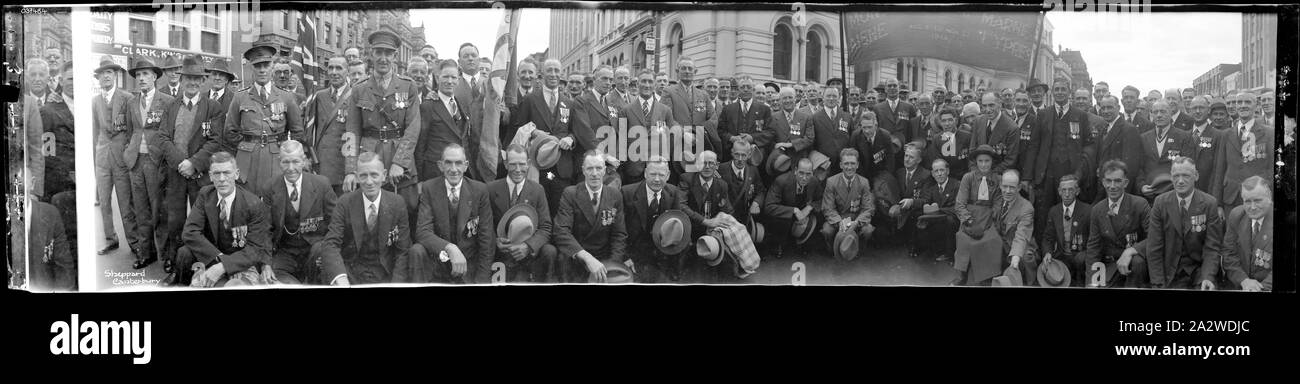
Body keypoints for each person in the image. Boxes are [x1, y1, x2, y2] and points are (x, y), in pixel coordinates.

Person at [155, 56, 225, 277]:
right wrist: (180, 163)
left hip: (199, 174)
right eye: (189, 78)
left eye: (197, 78)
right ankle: (176, 263)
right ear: (182, 78)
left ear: (202, 80)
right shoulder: (172, 105)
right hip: (176, 173)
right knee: (174, 221)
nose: (193, 83)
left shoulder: (212, 107)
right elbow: (163, 137)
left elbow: (215, 141)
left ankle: (202, 261)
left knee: (201, 220)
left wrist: (193, 163)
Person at [342, 31, 422, 220]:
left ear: (395, 56)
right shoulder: (359, 88)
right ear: (371, 54)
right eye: (379, 52)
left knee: (406, 211)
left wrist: (399, 163)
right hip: (370, 158)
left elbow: (413, 128)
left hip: (399, 161)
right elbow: (351, 132)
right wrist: (351, 170)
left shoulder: (408, 86)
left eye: (388, 53)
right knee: (370, 214)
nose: (383, 58)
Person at [175, 152, 274, 287]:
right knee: (184, 253)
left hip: (241, 261)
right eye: (216, 173)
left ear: (237, 174)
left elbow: (255, 249)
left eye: (227, 173)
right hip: (211, 255)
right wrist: (220, 260)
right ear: (210, 176)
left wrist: (225, 266)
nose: (222, 179)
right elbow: (190, 232)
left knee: (235, 285)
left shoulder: (253, 203)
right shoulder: (205, 194)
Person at [314, 152, 412, 285]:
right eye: (363, 175)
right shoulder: (345, 202)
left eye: (374, 175)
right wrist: (340, 277)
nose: (369, 182)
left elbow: (403, 251)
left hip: (385, 274)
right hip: (352, 273)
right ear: (357, 177)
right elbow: (331, 243)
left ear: (384, 175)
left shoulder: (397, 203)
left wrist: (395, 284)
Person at [224, 43, 304, 197]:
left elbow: (297, 132)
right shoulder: (240, 97)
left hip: (277, 157)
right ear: (251, 67)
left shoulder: (286, 97)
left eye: (266, 65)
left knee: (275, 201)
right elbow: (229, 131)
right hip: (248, 159)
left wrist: (287, 153)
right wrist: (246, 146)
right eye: (257, 66)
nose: (262, 70)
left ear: (272, 66)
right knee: (247, 202)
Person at [412, 144, 495, 284]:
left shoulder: (479, 191)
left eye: (458, 163)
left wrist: (481, 282)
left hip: (467, 266)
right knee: (416, 250)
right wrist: (450, 248)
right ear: (440, 165)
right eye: (448, 163)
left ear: (466, 165)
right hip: (438, 265)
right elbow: (422, 231)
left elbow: (487, 241)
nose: (453, 169)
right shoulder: (429, 188)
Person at [123, 56, 176, 270]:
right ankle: (146, 253)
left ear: (155, 77)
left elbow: (170, 134)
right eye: (138, 75)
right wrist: (129, 151)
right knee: (141, 210)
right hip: (136, 161)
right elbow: (129, 131)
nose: (141, 78)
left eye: (146, 74)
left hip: (157, 162)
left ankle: (165, 255)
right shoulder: (131, 102)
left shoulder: (167, 101)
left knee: (159, 211)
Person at [259, 140, 336, 284]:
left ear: (304, 161)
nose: (290, 168)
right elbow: (265, 230)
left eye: (295, 161)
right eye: (285, 162)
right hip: (285, 252)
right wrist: (266, 264)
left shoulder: (322, 184)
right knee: (274, 280)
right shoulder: (270, 187)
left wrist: (327, 253)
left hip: (314, 251)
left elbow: (335, 224)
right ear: (279, 162)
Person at [1147, 157, 1224, 290]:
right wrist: (1158, 284)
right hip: (1170, 272)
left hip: (1199, 270)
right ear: (1171, 177)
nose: (1180, 181)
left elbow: (1212, 247)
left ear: (1196, 176)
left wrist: (1208, 277)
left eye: (1186, 176)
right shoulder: (1160, 203)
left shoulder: (1209, 203)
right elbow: (1154, 248)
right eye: (1176, 176)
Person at [552, 150, 628, 283]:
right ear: (583, 170)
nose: (594, 173)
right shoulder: (570, 194)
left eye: (598, 168)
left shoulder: (615, 195)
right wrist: (587, 258)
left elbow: (619, 235)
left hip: (605, 260)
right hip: (577, 258)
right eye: (590, 168)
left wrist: (612, 265)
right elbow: (561, 232)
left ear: (604, 170)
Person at [486, 145, 557, 282]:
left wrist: (528, 246)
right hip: (502, 252)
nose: (518, 170)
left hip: (529, 253)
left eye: (522, 164)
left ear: (528, 164)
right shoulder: (490, 189)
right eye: (513, 164)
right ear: (506, 164)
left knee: (549, 251)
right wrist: (495, 241)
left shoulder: (537, 190)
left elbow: (546, 227)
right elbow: (485, 225)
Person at [92, 56, 138, 256]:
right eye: (102, 74)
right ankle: (111, 239)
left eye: (109, 73)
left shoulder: (127, 98)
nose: (106, 77)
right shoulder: (94, 102)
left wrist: (128, 153)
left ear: (115, 75)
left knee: (125, 202)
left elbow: (133, 129)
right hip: (102, 160)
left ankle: (134, 242)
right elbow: (94, 132)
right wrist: (97, 152)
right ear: (98, 78)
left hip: (121, 159)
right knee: (104, 202)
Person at [1084, 160, 1150, 288]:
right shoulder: (1097, 210)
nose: (1112, 186)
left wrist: (1131, 251)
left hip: (1135, 267)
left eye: (1118, 181)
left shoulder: (1139, 204)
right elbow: (1093, 248)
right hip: (1110, 265)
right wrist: (1091, 282)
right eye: (1108, 181)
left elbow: (1155, 237)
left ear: (1125, 183)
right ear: (1103, 182)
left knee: (1138, 262)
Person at [621, 158, 687, 282]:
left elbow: (677, 230)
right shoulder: (627, 192)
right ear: (645, 173)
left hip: (662, 255)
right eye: (652, 174)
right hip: (635, 254)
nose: (657, 179)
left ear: (668, 175)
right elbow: (619, 230)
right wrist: (625, 257)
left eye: (661, 175)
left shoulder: (673, 192)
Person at [1212, 91, 1273, 214]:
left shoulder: (1269, 133)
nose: (1243, 105)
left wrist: (1267, 192)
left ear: (1256, 106)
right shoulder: (1226, 134)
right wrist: (1218, 204)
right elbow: (1219, 170)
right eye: (1239, 102)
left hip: (1257, 198)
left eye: (1248, 102)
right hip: (1231, 198)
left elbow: (1272, 168)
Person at [39, 61, 77, 257]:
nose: (75, 83)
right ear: (61, 80)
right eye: (71, 78)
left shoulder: (91, 105)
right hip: (63, 184)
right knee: (69, 238)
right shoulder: (48, 110)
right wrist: (71, 175)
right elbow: (47, 155)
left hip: (86, 182)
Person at [618, 69, 678, 184]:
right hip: (634, 168)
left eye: (650, 81)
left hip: (657, 168)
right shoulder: (626, 110)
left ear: (655, 84)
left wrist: (664, 159)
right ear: (637, 84)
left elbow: (671, 138)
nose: (647, 85)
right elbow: (622, 140)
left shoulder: (665, 111)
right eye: (643, 81)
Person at [1213, 176, 1274, 291]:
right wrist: (1243, 280)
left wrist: (1259, 289)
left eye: (1257, 200)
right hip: (1240, 285)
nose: (1252, 207)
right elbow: (1228, 254)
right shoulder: (1236, 215)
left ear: (1269, 197)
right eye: (1247, 201)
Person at [305, 56, 353, 194]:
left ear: (347, 71)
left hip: (344, 164)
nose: (334, 72)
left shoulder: (355, 95)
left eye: (339, 68)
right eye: (330, 68)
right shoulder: (319, 96)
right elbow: (309, 129)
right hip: (323, 163)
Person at [762, 158, 824, 259]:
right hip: (784, 218)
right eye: (801, 173)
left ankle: (803, 242)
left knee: (818, 216)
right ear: (795, 170)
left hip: (803, 217)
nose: (804, 178)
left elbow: (821, 199)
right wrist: (794, 210)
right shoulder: (781, 181)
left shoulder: (814, 181)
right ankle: (778, 245)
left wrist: (809, 207)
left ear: (812, 173)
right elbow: (769, 207)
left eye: (808, 174)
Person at [820, 148, 875, 261]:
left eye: (852, 163)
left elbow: (868, 208)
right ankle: (834, 251)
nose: (849, 167)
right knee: (827, 230)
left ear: (858, 165)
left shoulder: (864, 182)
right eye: (846, 163)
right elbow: (828, 208)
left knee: (867, 230)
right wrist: (840, 222)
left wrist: (856, 223)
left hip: (856, 219)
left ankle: (857, 251)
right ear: (840, 165)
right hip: (838, 219)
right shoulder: (831, 182)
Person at [1137, 101, 1195, 201]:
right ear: (1151, 114)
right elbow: (1138, 167)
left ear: (1171, 113)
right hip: (1148, 194)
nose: (1159, 115)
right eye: (1155, 112)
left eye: (1163, 111)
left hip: (1174, 194)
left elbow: (1189, 167)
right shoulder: (1143, 138)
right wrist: (1141, 186)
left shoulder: (1184, 137)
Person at [1041, 174, 1090, 285]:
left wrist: (1084, 254)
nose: (1067, 194)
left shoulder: (1088, 211)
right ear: (1059, 191)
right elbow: (1048, 238)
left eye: (1070, 190)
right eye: (1064, 190)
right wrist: (1047, 252)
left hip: (1081, 258)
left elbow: (1093, 240)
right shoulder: (1054, 211)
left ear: (1077, 191)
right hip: (1062, 256)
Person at [1092, 95, 1143, 197]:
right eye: (1103, 108)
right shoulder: (1103, 128)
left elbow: (1130, 167)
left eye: (1110, 107)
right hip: (1104, 188)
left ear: (1118, 108)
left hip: (1118, 191)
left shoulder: (1128, 129)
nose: (1106, 111)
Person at [716, 75, 774, 163]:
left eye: (748, 87)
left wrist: (752, 138)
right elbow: (720, 131)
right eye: (742, 87)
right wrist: (732, 138)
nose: (745, 89)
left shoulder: (764, 109)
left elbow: (770, 132)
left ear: (753, 89)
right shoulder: (728, 109)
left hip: (755, 158)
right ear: (738, 89)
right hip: (731, 155)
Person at [914, 158, 959, 262]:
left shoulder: (956, 185)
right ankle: (929, 249)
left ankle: (949, 254)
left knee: (950, 221)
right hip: (939, 220)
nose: (939, 174)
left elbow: (957, 207)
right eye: (936, 171)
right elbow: (925, 201)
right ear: (932, 174)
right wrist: (912, 202)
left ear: (948, 171)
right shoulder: (932, 189)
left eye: (942, 170)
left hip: (953, 219)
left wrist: (938, 210)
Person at [891, 145, 931, 258]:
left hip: (915, 210)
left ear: (919, 160)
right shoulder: (899, 172)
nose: (907, 159)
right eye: (906, 155)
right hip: (900, 209)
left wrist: (912, 202)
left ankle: (914, 246)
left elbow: (926, 200)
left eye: (911, 157)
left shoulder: (926, 175)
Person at [969, 92, 1020, 175]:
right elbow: (972, 151)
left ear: (999, 104)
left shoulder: (1012, 128)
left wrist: (989, 175)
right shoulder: (978, 121)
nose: (988, 109)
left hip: (997, 176)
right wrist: (975, 172)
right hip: (977, 175)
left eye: (991, 105)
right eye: (984, 106)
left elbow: (1010, 160)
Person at [718, 139, 765, 227]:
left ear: (749, 155)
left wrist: (756, 202)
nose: (740, 159)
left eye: (743, 155)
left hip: (744, 220)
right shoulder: (721, 169)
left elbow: (761, 191)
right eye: (737, 154)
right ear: (732, 153)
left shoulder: (753, 170)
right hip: (725, 220)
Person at [810, 87, 854, 176]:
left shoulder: (847, 117)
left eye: (834, 96)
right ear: (822, 98)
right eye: (828, 96)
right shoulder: (815, 118)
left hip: (843, 164)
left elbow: (852, 140)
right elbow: (812, 142)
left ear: (838, 98)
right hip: (824, 165)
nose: (831, 98)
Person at [924, 109, 972, 182]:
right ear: (940, 123)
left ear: (955, 121)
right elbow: (937, 161)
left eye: (950, 120)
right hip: (945, 180)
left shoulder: (967, 137)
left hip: (964, 179)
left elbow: (970, 161)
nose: (947, 124)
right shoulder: (936, 139)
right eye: (944, 121)